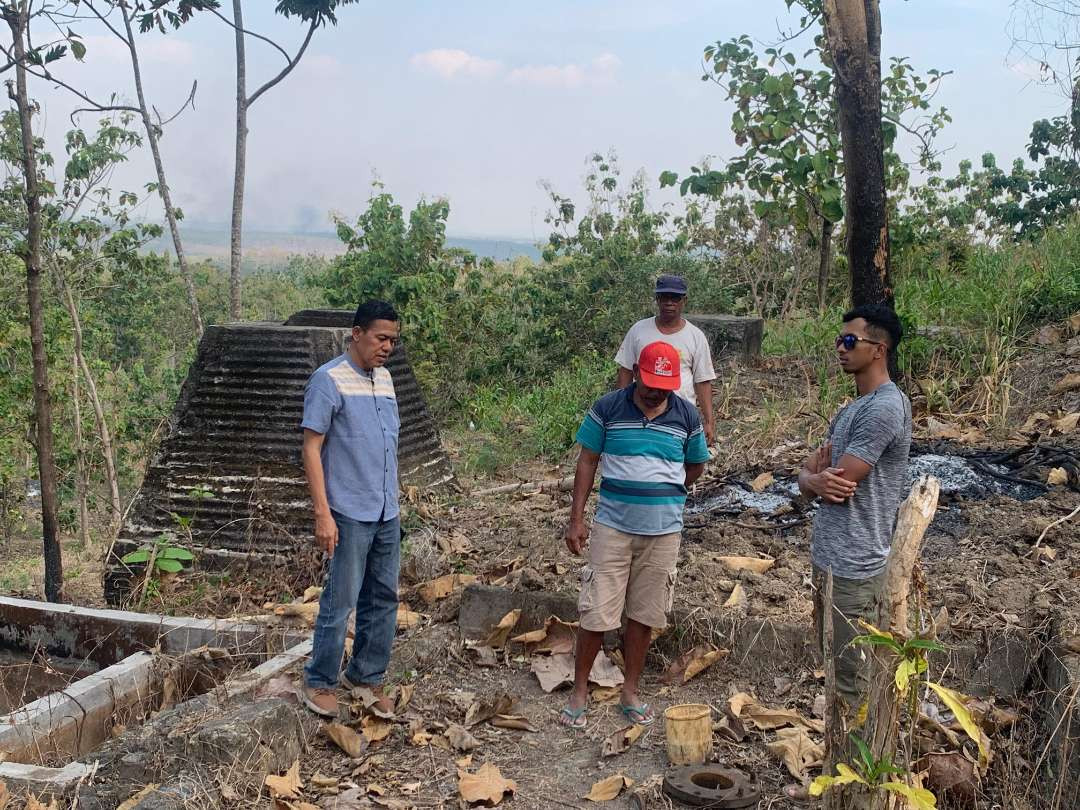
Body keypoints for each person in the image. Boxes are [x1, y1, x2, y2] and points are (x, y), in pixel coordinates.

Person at [561, 341, 709, 729]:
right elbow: (588, 461)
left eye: (664, 385)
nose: (655, 391)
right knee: (596, 611)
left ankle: (630, 689)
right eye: (650, 383)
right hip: (613, 527)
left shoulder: (687, 415)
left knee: (644, 615)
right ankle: (580, 690)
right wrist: (576, 518)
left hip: (663, 533)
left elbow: (695, 466)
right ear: (637, 374)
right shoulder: (608, 407)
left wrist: (664, 489)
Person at [798, 304, 913, 704]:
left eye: (850, 341)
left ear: (878, 349)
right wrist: (810, 479)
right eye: (839, 340)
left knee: (852, 680)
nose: (841, 348)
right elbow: (813, 480)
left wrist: (813, 479)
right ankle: (839, 755)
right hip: (831, 557)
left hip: (856, 566)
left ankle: (857, 764)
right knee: (833, 664)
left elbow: (838, 483)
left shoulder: (883, 408)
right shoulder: (853, 409)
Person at [299, 300, 403, 718]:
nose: (387, 347)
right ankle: (320, 680)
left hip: (385, 510)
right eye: (381, 338)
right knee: (340, 599)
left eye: (393, 340)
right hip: (348, 511)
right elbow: (311, 447)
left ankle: (365, 674)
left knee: (383, 597)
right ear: (356, 334)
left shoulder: (386, 380)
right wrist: (322, 513)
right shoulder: (328, 380)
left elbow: (386, 444)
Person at [615, 274, 717, 445]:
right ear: (657, 299)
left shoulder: (696, 337)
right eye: (664, 297)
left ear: (684, 300)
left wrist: (708, 421)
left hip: (680, 416)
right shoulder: (638, 331)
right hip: (639, 412)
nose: (669, 303)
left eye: (675, 298)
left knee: (677, 463)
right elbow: (625, 371)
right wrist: (619, 409)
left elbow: (702, 380)